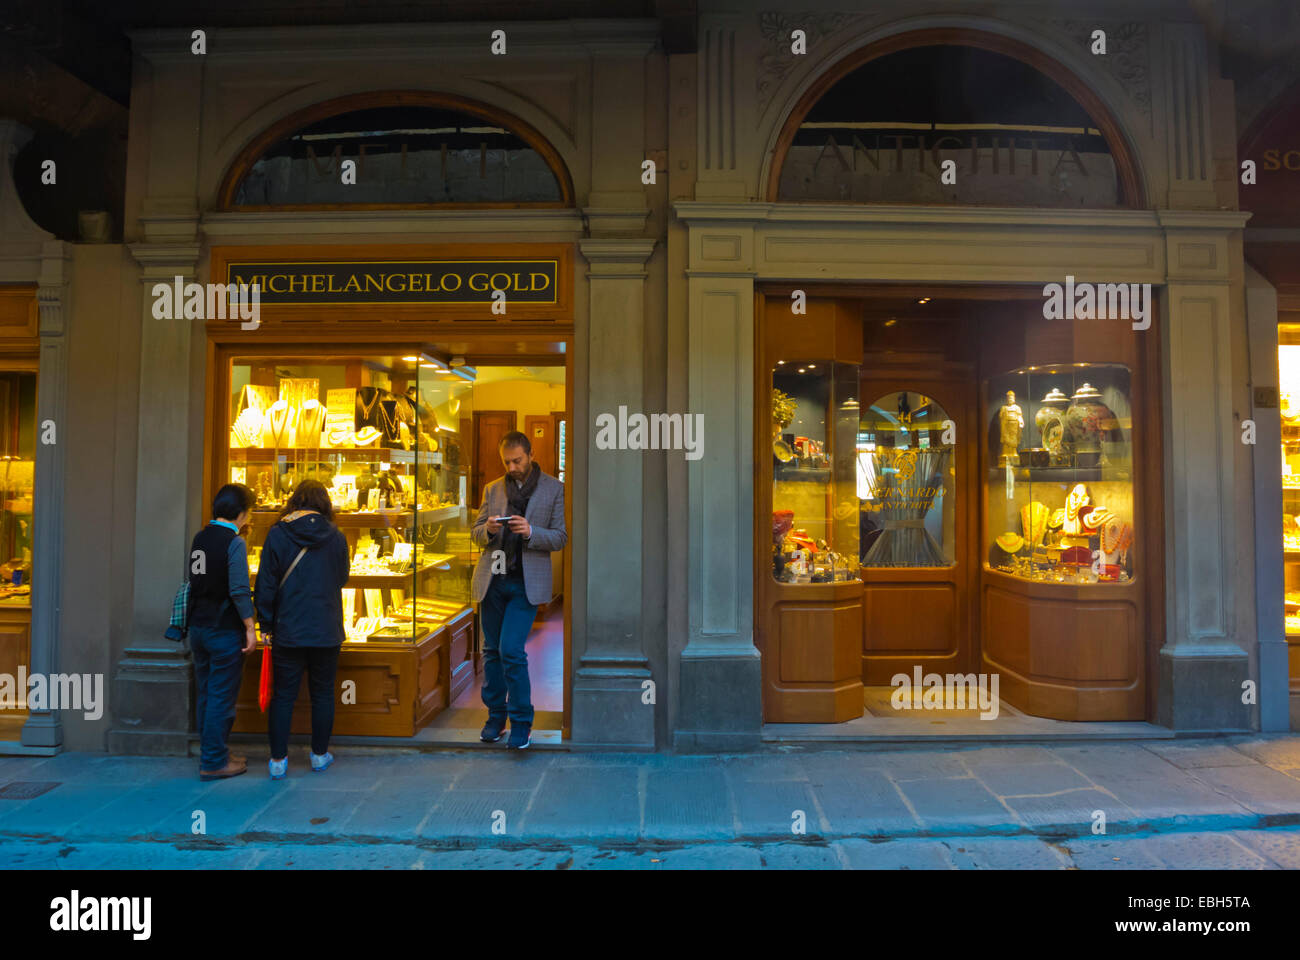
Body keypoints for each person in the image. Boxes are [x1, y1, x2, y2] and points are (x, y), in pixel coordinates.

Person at [470, 430, 567, 750]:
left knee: (511, 650)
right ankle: (496, 719)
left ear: (531, 454)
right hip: (492, 581)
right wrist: (489, 529)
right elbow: (475, 532)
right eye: (506, 462)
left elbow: (560, 537)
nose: (512, 467)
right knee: (491, 652)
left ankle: (522, 723)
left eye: (517, 460)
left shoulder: (554, 489)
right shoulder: (492, 489)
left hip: (526, 583)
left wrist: (530, 531)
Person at [254, 479, 350, 779]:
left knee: (284, 695)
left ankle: (278, 760)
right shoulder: (336, 536)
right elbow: (343, 578)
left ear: (295, 501)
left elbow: (266, 583)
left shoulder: (278, 534)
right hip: (326, 626)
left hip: (288, 627)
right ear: (324, 504)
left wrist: (265, 622)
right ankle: (319, 755)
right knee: (323, 693)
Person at [188, 483, 257, 781]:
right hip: (223, 627)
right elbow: (240, 589)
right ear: (241, 513)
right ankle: (214, 761)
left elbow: (196, 580)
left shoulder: (200, 537)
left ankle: (213, 752)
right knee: (220, 695)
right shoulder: (234, 542)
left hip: (198, 627)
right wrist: (250, 628)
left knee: (206, 692)